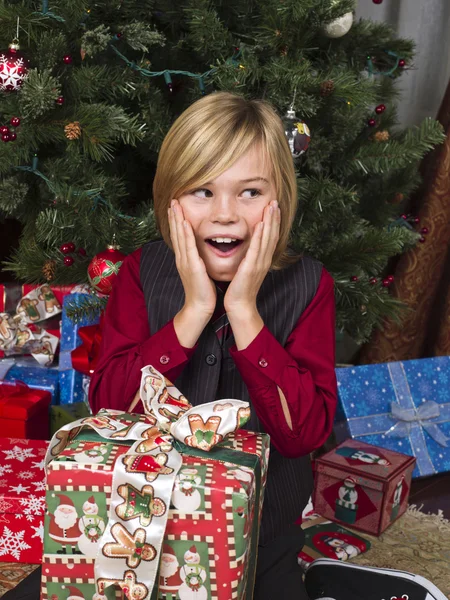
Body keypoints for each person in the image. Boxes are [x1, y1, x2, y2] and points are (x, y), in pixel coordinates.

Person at [5, 92, 337, 600]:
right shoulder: (143, 272)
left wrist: (244, 311)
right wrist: (194, 311)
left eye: (249, 192)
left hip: (262, 538)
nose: (225, 213)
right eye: (203, 191)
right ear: (170, 201)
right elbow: (109, 408)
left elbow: (304, 434)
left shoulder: (310, 284)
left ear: (279, 201)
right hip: (130, 523)